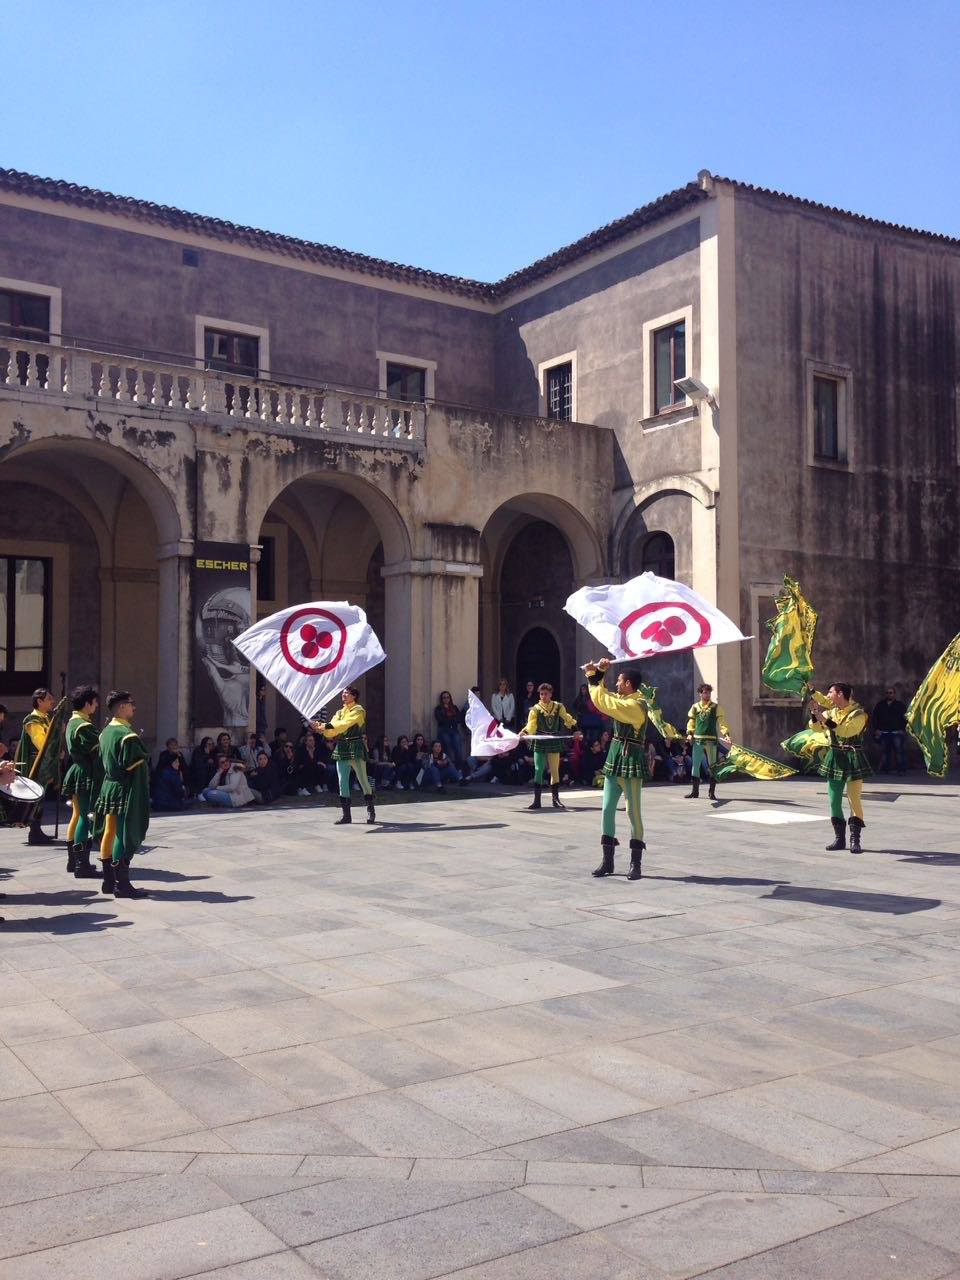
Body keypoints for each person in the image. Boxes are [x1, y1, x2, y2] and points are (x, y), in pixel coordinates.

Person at [585, 658, 655, 881]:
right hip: (615, 756)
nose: (616, 684)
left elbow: (604, 702)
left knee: (633, 812)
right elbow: (604, 696)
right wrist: (598, 674)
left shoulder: (636, 706)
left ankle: (636, 863)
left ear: (628, 684)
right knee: (607, 810)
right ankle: (608, 861)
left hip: (630, 759)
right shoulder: (623, 699)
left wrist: (594, 677)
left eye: (619, 680)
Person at [96, 690, 150, 899]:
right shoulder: (127, 736)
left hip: (108, 786)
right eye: (131, 703)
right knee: (122, 834)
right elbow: (135, 768)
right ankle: (122, 884)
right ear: (121, 707)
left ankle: (108, 881)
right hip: (123, 788)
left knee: (109, 831)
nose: (134, 707)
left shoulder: (105, 732)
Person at [808, 683, 873, 853]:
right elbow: (816, 728)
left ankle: (855, 840)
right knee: (834, 799)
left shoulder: (859, 714)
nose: (828, 696)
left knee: (854, 799)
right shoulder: (831, 712)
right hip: (835, 756)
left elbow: (846, 731)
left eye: (830, 692)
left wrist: (825, 720)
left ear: (840, 694)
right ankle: (839, 839)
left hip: (852, 757)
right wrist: (814, 714)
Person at [313, 686, 376, 825]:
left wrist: (323, 726)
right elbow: (332, 730)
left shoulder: (359, 710)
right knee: (342, 782)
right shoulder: (339, 712)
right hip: (342, 747)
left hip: (355, 746)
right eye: (343, 693)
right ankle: (346, 816)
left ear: (354, 696)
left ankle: (371, 811)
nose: (344, 694)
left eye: (347, 693)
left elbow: (344, 725)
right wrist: (320, 728)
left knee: (363, 780)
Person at [61, 685, 103, 878]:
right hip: (85, 773)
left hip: (77, 770)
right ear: (87, 704)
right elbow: (98, 751)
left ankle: (73, 861)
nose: (96, 706)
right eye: (94, 702)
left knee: (77, 815)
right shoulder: (84, 726)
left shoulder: (73, 722)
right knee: (85, 818)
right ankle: (81, 865)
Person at [520, 682, 579, 811]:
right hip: (540, 740)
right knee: (538, 769)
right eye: (541, 694)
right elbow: (531, 725)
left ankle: (555, 799)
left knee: (554, 770)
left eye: (545, 694)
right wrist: (525, 732)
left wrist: (575, 729)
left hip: (553, 740)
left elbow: (567, 718)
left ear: (551, 694)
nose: (543, 696)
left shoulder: (558, 706)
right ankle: (537, 801)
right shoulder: (535, 709)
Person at [15, 687, 56, 845]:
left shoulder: (45, 718)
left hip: (42, 765)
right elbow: (41, 743)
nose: (52, 701)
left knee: (41, 798)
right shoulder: (34, 720)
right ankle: (34, 832)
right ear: (39, 701)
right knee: (36, 798)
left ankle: (37, 830)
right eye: (49, 699)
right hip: (35, 765)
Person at [685, 684, 731, 803]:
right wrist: (690, 733)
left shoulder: (716, 707)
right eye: (705, 692)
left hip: (711, 741)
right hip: (698, 740)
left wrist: (726, 734)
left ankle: (712, 792)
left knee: (712, 766)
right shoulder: (695, 707)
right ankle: (695, 791)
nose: (707, 695)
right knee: (695, 765)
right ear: (700, 693)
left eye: (709, 693)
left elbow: (722, 722)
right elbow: (691, 721)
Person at [872, 685, 908, 774]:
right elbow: (875, 718)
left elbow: (905, 718)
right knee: (885, 751)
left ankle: (901, 769)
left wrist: (902, 729)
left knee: (899, 751)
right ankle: (886, 769)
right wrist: (876, 729)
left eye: (891, 693)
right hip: (884, 732)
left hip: (896, 732)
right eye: (887, 693)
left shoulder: (900, 705)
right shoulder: (880, 705)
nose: (889, 694)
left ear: (894, 694)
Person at [434, 691, 465, 774]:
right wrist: (452, 719)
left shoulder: (454, 707)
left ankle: (459, 769)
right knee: (447, 748)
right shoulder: (438, 709)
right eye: (444, 697)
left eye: (448, 697)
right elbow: (440, 719)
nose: (446, 699)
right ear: (441, 699)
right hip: (443, 730)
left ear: (450, 698)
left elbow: (459, 718)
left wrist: (449, 719)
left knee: (458, 749)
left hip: (454, 730)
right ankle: (449, 769)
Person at [295, 730, 327, 795]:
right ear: (306, 742)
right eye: (310, 740)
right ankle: (303, 788)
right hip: (303, 767)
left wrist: (318, 762)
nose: (312, 742)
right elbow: (304, 762)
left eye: (313, 740)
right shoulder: (301, 750)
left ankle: (317, 785)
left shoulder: (317, 749)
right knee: (309, 767)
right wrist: (316, 761)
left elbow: (320, 759)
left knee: (319, 767)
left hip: (313, 766)